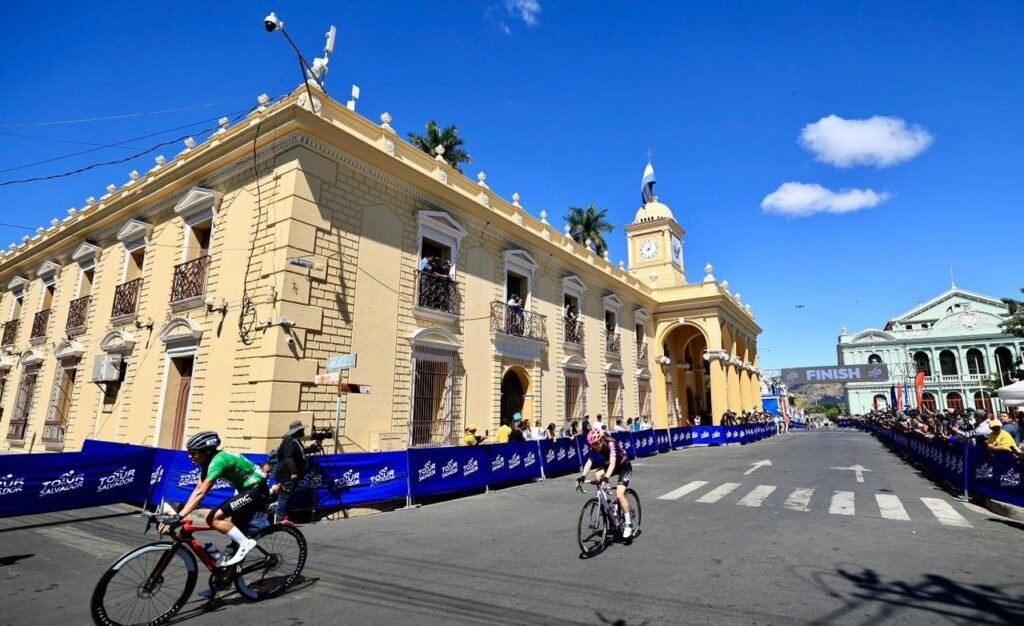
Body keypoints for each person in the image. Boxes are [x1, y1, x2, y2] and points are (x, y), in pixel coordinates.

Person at [158, 431, 266, 568]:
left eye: (194, 453)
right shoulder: (208, 462)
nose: (190, 456)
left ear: (207, 452)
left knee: (213, 518)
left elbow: (202, 494)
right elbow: (197, 490)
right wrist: (178, 515)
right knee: (234, 541)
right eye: (189, 452)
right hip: (245, 490)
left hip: (256, 490)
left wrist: (178, 517)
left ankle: (246, 543)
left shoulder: (218, 461)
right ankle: (229, 575)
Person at [576, 428, 635, 538]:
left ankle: (628, 523)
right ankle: (608, 505)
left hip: (624, 466)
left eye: (596, 443)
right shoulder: (595, 446)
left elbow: (612, 463)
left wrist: (606, 478)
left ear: (602, 440)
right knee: (597, 475)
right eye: (592, 444)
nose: (595, 446)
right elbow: (589, 461)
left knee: (619, 494)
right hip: (612, 466)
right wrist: (582, 477)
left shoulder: (611, 443)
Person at [274, 420, 310, 525]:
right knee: (285, 495)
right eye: (301, 429)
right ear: (296, 431)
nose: (303, 431)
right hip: (287, 474)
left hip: (289, 473)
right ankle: (281, 518)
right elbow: (288, 457)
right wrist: (293, 472)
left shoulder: (295, 440)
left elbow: (298, 453)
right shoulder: (289, 441)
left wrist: (310, 449)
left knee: (287, 495)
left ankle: (284, 516)